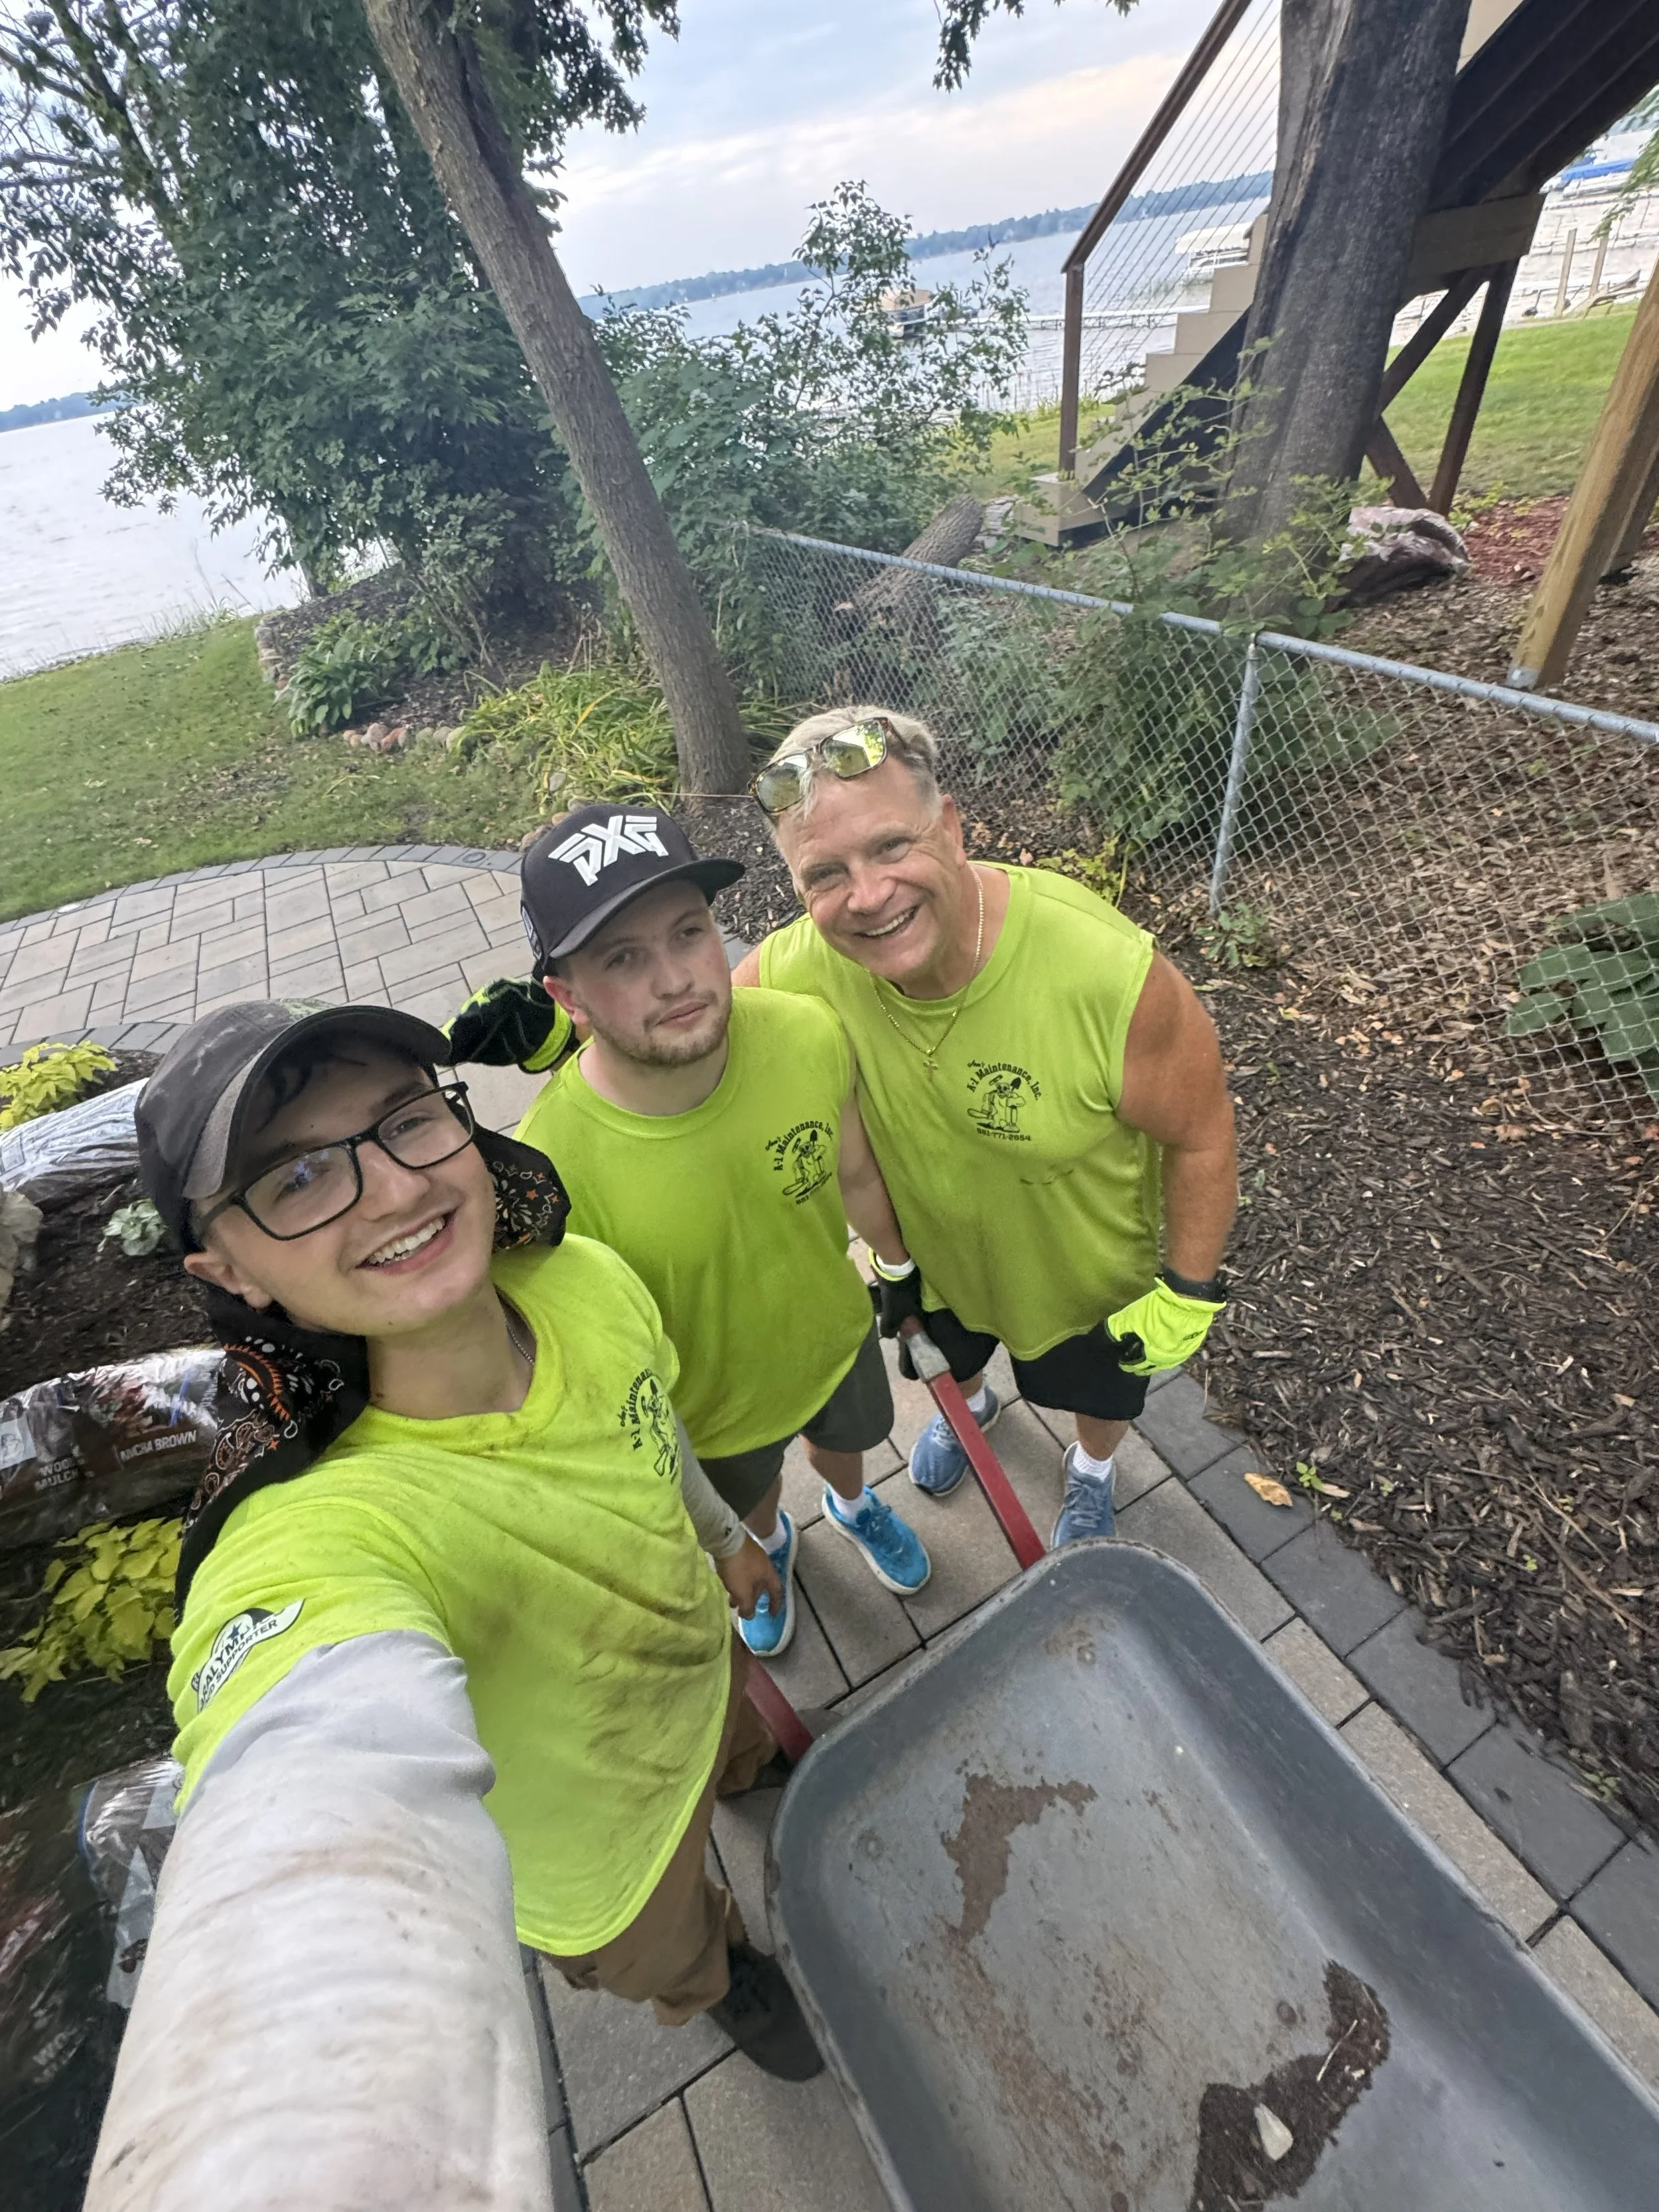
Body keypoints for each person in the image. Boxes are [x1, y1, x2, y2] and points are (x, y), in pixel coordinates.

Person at [86, 999, 818, 2210]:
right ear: (225, 1271)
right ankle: (712, 1974)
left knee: (737, 1751)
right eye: (298, 1176)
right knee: (680, 1937)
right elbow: (309, 1754)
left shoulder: (577, 1276)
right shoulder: (315, 1529)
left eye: (406, 1120)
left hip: (703, 1667)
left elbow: (655, 1425)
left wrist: (725, 1536)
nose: (388, 1191)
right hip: (605, 1871)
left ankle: (745, 1773)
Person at [732, 707, 1238, 1546]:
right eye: (825, 873)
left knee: (1099, 1397)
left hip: (1082, 1279)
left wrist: (1188, 1291)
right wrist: (573, 1021)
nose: (867, 896)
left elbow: (1201, 1132)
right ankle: (970, 1410)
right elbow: (695, 1030)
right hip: (932, 1269)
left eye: (892, 846)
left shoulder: (1108, 976)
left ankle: (1091, 1470)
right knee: (950, 1363)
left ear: (953, 830)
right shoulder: (800, 969)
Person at [509, 803, 932, 1661]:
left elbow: (853, 1173)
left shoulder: (806, 1034)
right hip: (712, 1414)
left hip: (835, 1336)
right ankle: (769, 1542)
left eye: (688, 932)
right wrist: (718, 1534)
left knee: (849, 1439)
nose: (675, 978)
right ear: (568, 995)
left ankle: (851, 1506)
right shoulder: (551, 1167)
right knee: (758, 1496)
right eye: (624, 958)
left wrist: (900, 1272)